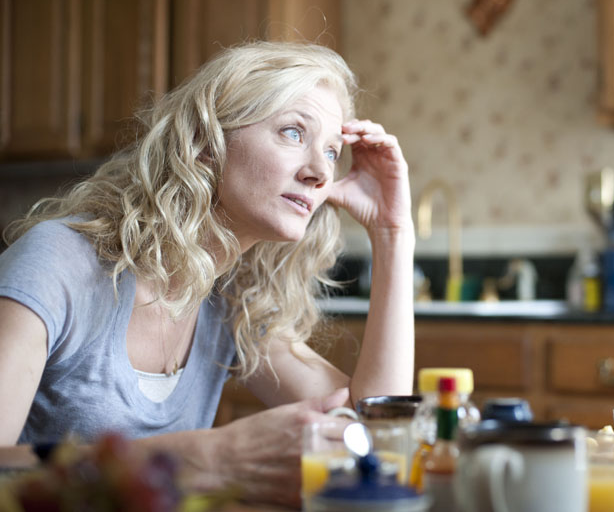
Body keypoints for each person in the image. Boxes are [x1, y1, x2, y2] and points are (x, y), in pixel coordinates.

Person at [0, 41, 415, 507]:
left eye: (333, 152)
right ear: (205, 143)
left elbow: (376, 428)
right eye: (293, 132)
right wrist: (203, 460)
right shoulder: (59, 261)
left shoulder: (233, 295)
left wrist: (393, 233)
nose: (320, 172)